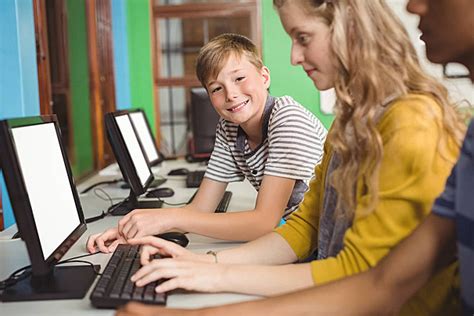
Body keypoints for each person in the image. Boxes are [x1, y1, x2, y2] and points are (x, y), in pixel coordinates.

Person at [116, 0, 474, 315]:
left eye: (302, 38)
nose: (294, 57)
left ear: (350, 27)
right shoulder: (349, 122)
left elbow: (365, 277)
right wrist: (204, 264)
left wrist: (215, 278)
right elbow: (306, 227)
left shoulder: (410, 123)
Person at [87, 33, 327, 251]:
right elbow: (200, 209)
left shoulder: (287, 119)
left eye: (240, 78)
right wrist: (131, 231)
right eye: (216, 89)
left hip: (326, 242)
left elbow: (264, 222)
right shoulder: (229, 127)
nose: (231, 94)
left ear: (264, 77)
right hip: (297, 235)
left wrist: (169, 218)